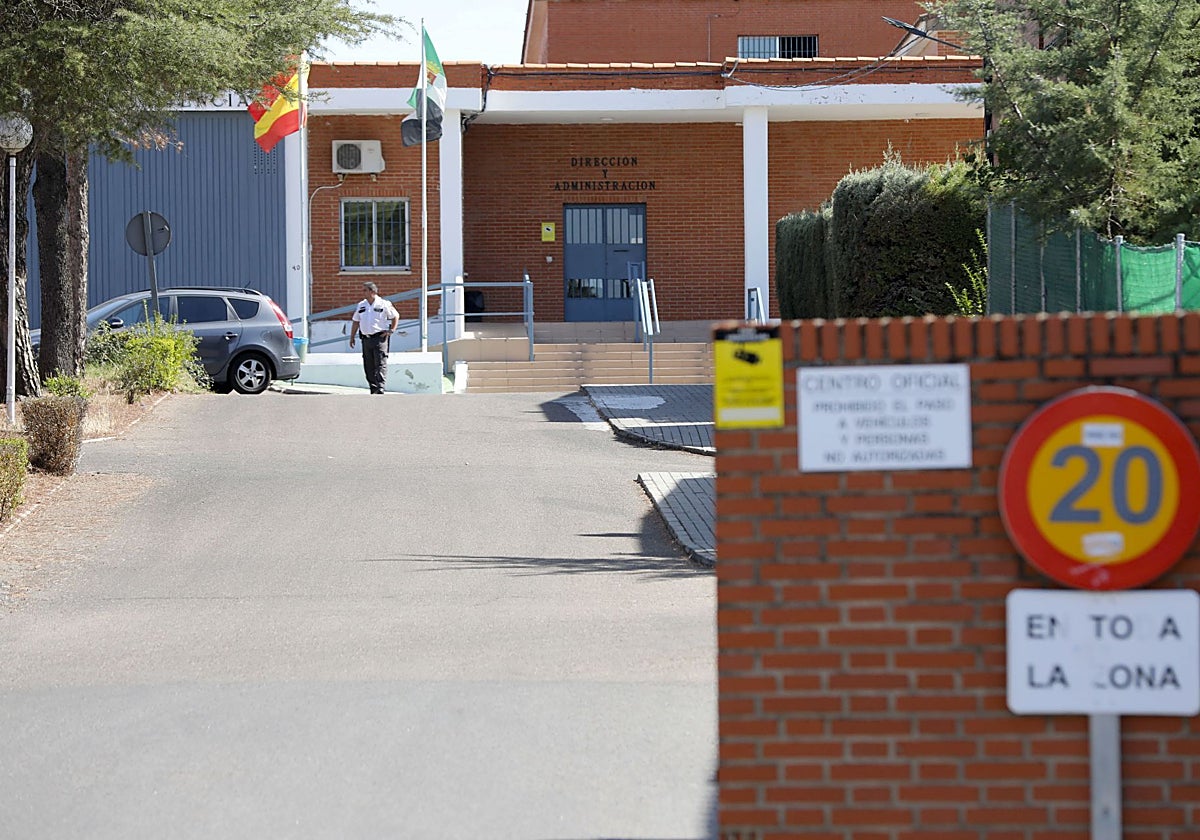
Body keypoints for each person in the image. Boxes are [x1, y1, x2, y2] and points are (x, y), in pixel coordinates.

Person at [348, 281, 400, 394]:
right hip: (366, 338)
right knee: (368, 364)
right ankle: (373, 387)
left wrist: (392, 330)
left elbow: (395, 316)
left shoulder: (384, 304)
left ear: (372, 292)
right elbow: (356, 321)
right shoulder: (361, 305)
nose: (363, 293)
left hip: (379, 337)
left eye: (365, 290)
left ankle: (380, 387)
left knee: (380, 362)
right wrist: (352, 337)